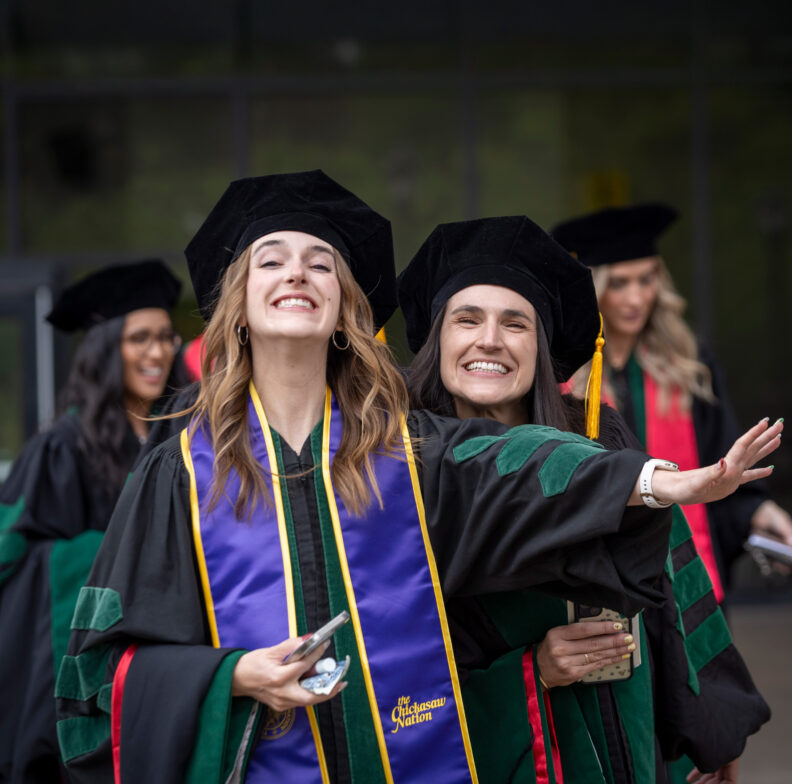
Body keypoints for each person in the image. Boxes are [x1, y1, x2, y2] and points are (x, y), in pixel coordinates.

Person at [55, 172, 778, 784]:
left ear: (346, 312)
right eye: (271, 261)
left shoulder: (411, 455)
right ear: (237, 308)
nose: (298, 274)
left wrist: (655, 482)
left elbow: (515, 465)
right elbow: (96, 680)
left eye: (319, 263)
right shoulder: (178, 474)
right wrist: (233, 678)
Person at [398, 216, 773, 784]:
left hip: (626, 725)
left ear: (542, 348)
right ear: (438, 338)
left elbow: (674, 588)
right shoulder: (401, 461)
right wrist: (534, 670)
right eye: (467, 319)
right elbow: (399, 657)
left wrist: (711, 730)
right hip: (507, 745)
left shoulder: (602, 437)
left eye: (516, 323)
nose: (490, 340)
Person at [552, 203, 792, 601]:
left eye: (646, 280)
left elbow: (720, 461)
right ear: (595, 288)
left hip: (689, 576)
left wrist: (764, 515)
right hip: (602, 581)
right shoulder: (563, 375)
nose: (636, 298)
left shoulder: (688, 363)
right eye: (619, 283)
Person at [0, 260, 182, 783]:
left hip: (164, 654)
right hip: (84, 667)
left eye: (166, 337)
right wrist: (110, 556)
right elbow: (17, 556)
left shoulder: (186, 437)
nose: (157, 352)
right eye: (139, 338)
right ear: (106, 352)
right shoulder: (62, 447)